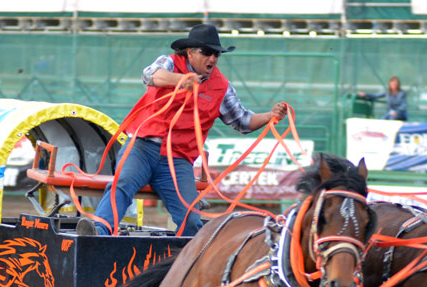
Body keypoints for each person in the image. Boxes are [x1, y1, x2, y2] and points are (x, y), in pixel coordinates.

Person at [77, 24, 287, 237]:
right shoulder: (168, 62)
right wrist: (182, 80)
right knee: (121, 185)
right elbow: (150, 75)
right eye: (207, 52)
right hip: (142, 146)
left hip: (177, 159)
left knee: (191, 219)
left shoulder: (222, 86)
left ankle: (185, 261)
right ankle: (98, 233)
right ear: (190, 52)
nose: (212, 59)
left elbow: (242, 120)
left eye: (216, 54)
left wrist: (269, 116)